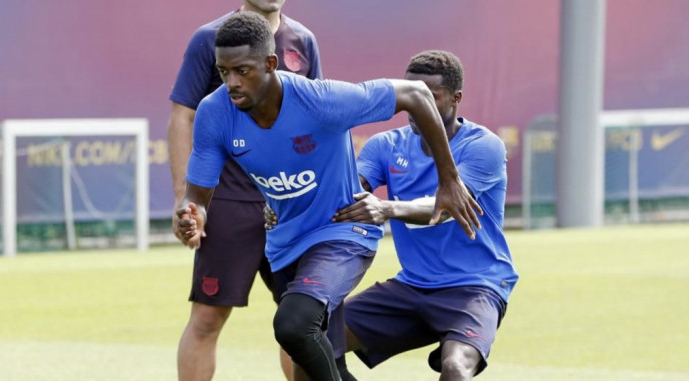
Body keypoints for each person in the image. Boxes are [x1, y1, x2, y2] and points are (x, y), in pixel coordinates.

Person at [175, 13, 482, 381]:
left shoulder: (321, 100)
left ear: (270, 64)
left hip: (341, 233)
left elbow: (415, 95)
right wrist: (193, 216)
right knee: (316, 364)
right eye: (224, 72)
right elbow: (198, 194)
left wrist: (449, 181)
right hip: (286, 240)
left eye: (242, 71)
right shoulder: (214, 112)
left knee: (293, 324)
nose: (232, 83)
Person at [333, 50, 518, 381]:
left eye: (429, 97)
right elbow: (344, 194)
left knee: (455, 367)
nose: (416, 106)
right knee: (308, 342)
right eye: (411, 95)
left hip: (476, 286)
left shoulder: (483, 146)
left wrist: (386, 208)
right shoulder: (384, 146)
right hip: (412, 285)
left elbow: (445, 208)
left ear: (456, 98)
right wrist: (284, 205)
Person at [167, 1, 322, 380]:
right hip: (228, 202)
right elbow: (183, 115)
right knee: (206, 317)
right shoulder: (210, 38)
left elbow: (319, 116)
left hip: (290, 206)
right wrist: (184, 198)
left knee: (300, 323)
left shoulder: (303, 40)